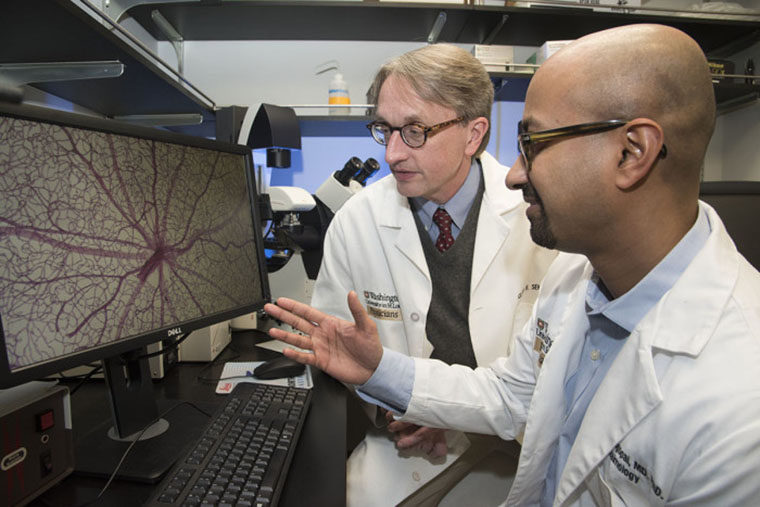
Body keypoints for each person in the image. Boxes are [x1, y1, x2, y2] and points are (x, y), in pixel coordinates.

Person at [264, 23, 760, 505]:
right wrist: (378, 371)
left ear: (632, 152)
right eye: (385, 130)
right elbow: (510, 395)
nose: (515, 174)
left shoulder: (739, 406)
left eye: (534, 143)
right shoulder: (580, 276)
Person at [310, 44, 556, 506]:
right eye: (384, 129)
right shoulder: (357, 220)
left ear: (473, 133)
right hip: (401, 441)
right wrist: (394, 407)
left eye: (415, 131)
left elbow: (551, 375)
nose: (393, 153)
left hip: (516, 444)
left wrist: (456, 413)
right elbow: (336, 350)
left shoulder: (541, 219)